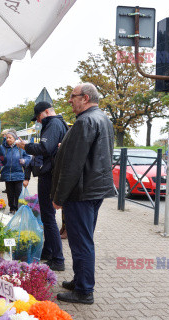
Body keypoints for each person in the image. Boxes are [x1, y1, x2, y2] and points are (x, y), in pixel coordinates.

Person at [51, 83, 114, 304]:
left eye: (73, 96)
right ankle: (80, 280)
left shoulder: (85, 121)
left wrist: (59, 196)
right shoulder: (102, 119)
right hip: (93, 189)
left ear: (85, 98)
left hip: (81, 191)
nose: (70, 100)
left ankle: (84, 290)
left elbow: (73, 165)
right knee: (83, 239)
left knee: (81, 241)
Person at [16, 101, 69, 271]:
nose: (38, 121)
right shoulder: (57, 123)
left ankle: (58, 259)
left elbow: (46, 148)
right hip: (50, 173)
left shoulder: (53, 124)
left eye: (38, 117)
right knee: (48, 216)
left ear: (46, 112)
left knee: (47, 216)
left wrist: (26, 146)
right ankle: (48, 251)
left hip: (49, 175)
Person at [0, 130, 31, 214]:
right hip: (7, 174)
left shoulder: (20, 147)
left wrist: (24, 160)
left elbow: (28, 157)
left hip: (19, 173)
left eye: (10, 138)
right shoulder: (2, 147)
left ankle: (18, 209)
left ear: (14, 138)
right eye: (7, 138)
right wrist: (1, 169)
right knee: (10, 193)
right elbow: (0, 160)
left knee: (18, 193)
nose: (8, 139)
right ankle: (12, 209)